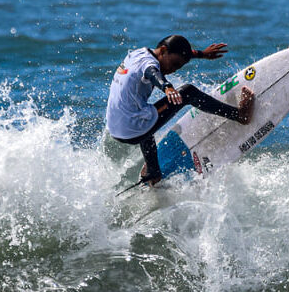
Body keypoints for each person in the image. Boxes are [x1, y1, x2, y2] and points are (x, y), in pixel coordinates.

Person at [107, 34, 254, 185]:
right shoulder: (149, 64)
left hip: (115, 127)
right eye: (174, 64)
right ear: (163, 51)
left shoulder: (138, 54)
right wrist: (167, 87)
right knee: (187, 92)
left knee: (147, 115)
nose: (174, 70)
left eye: (179, 67)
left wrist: (202, 54)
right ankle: (240, 115)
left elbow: (170, 59)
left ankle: (153, 173)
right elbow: (153, 73)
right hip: (131, 127)